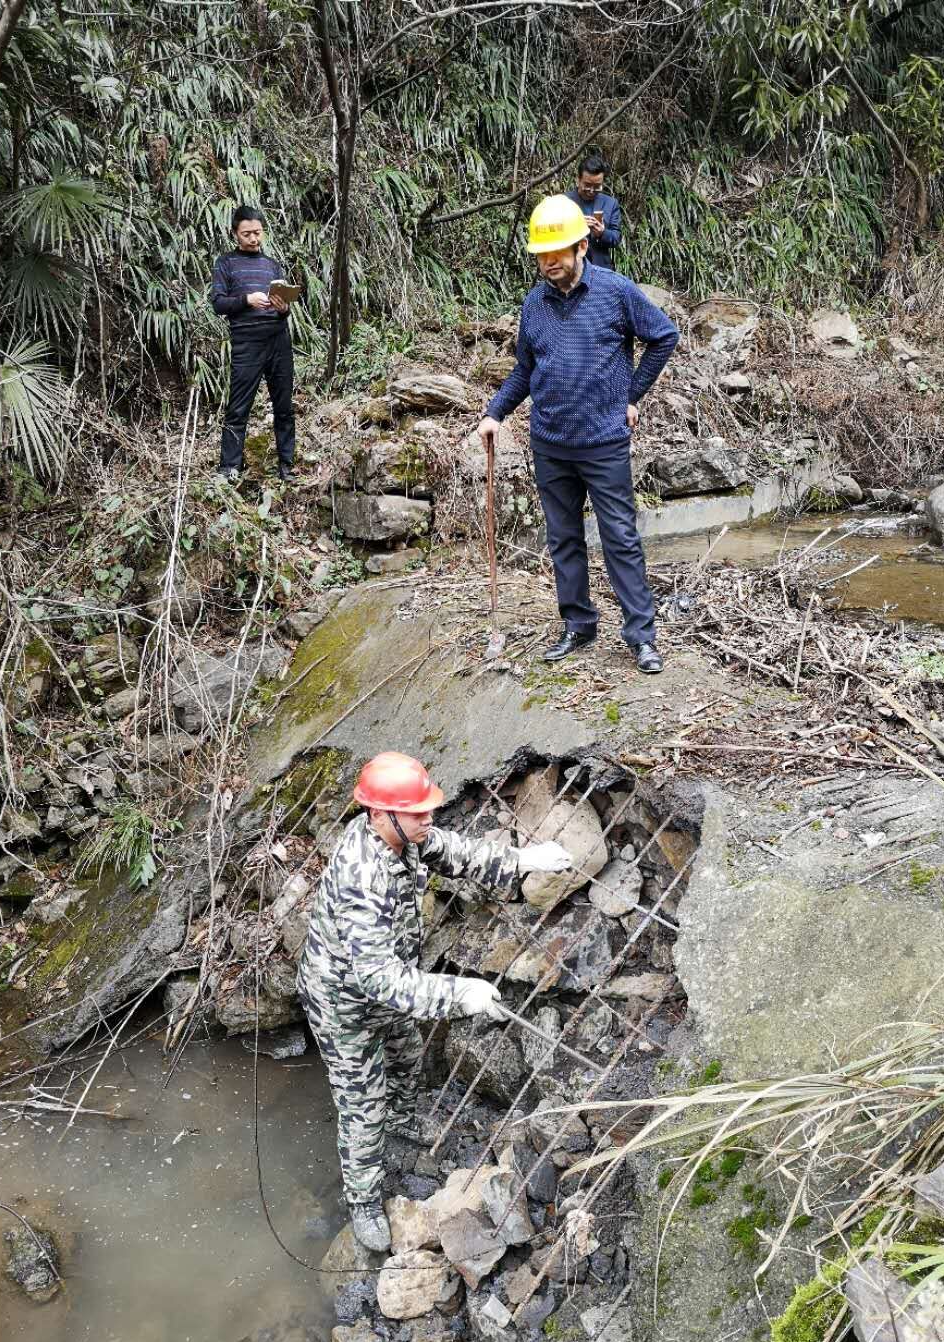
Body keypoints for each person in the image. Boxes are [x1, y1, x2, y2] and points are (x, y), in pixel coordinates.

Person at [298, 751, 572, 1252]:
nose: (430, 818)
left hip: (386, 983)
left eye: (428, 809)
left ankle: (403, 1121)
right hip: (342, 1002)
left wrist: (522, 860)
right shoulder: (363, 878)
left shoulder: (407, 836)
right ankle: (362, 1201)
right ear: (378, 814)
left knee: (405, 1053)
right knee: (362, 1105)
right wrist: (460, 993)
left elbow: (458, 852)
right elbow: (380, 979)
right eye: (418, 811)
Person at [477, 195, 679, 675]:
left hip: (604, 442)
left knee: (620, 538)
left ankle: (641, 637)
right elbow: (525, 369)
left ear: (582, 246)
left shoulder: (615, 291)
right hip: (550, 442)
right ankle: (578, 624)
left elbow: (663, 336)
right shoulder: (534, 304)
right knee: (564, 538)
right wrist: (494, 413)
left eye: (557, 254)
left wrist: (631, 397)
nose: (548, 264)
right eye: (542, 256)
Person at [210, 204, 300, 484]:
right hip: (246, 343)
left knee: (284, 406)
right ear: (235, 233)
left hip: (278, 340)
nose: (253, 239)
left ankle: (287, 466)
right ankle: (229, 469)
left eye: (258, 233)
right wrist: (246, 300)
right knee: (239, 407)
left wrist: (283, 306)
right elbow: (217, 303)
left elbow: (285, 310)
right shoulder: (226, 263)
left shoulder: (272, 265)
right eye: (247, 233)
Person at [565, 154, 621, 270]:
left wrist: (602, 233)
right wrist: (576, 227)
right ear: (578, 180)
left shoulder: (610, 203)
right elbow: (554, 232)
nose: (591, 190)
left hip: (601, 270)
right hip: (570, 267)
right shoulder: (564, 201)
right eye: (587, 185)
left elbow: (616, 237)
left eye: (597, 186)